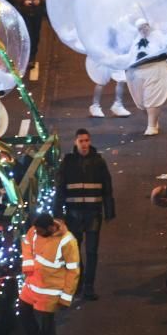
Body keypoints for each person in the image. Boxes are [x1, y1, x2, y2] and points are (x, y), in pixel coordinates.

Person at [55, 129, 115, 301]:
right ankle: (79, 282)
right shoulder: (68, 162)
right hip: (74, 215)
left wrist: (109, 211)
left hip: (92, 214)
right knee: (74, 252)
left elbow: (107, 187)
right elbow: (60, 189)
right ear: (75, 142)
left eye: (87, 140)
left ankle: (88, 286)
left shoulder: (98, 162)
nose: (84, 144)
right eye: (81, 141)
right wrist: (58, 214)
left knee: (91, 251)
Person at [19, 213, 80, 335]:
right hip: (32, 284)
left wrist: (66, 297)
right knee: (24, 313)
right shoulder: (34, 231)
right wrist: (28, 264)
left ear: (51, 227)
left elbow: (73, 270)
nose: (37, 233)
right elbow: (26, 243)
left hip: (51, 290)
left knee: (47, 325)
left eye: (40, 231)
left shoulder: (67, 241)